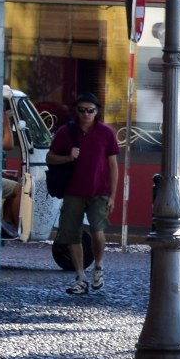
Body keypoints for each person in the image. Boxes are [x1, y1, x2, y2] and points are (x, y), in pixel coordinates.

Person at [49, 92, 120, 295]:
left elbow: (113, 165)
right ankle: (80, 277)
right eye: (82, 110)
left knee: (98, 230)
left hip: (99, 191)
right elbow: (50, 157)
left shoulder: (106, 132)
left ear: (97, 112)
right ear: (76, 111)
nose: (86, 114)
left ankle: (98, 267)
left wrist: (113, 195)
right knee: (72, 234)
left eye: (90, 110)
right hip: (72, 191)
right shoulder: (66, 132)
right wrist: (67, 158)